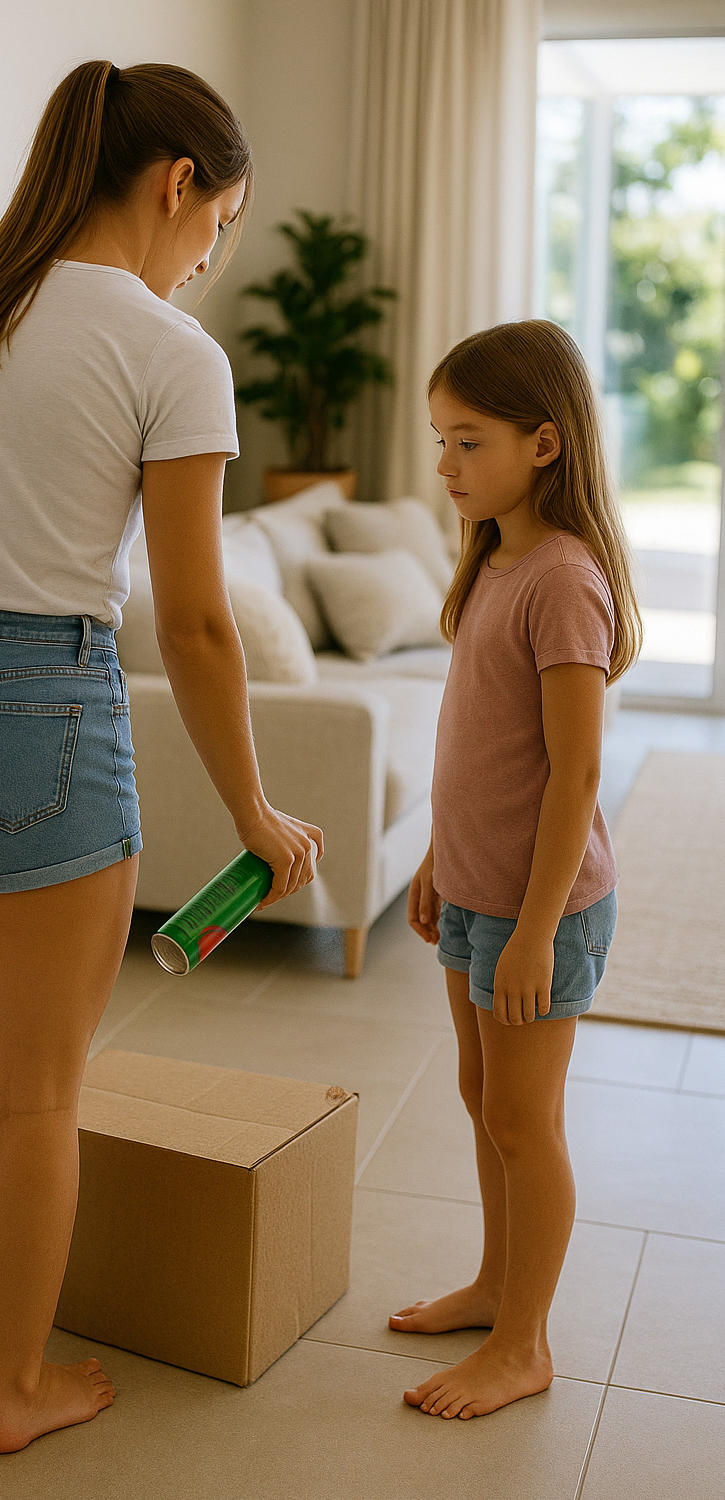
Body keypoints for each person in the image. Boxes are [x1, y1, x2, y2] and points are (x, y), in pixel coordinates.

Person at [0, 59, 322, 1455]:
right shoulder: (169, 354)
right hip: (43, 712)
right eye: (219, 227)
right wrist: (254, 810)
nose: (204, 260)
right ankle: (17, 1390)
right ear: (176, 183)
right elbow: (196, 624)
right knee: (34, 1094)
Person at [392, 320, 642, 1420]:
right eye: (440, 440)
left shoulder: (563, 578)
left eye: (468, 442)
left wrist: (537, 930)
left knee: (523, 1122)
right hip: (477, 889)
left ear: (544, 443)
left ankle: (524, 1343)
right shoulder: (492, 558)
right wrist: (438, 857)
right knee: (482, 1098)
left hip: (540, 908)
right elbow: (481, 747)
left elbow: (575, 772)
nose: (445, 465)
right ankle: (497, 1287)